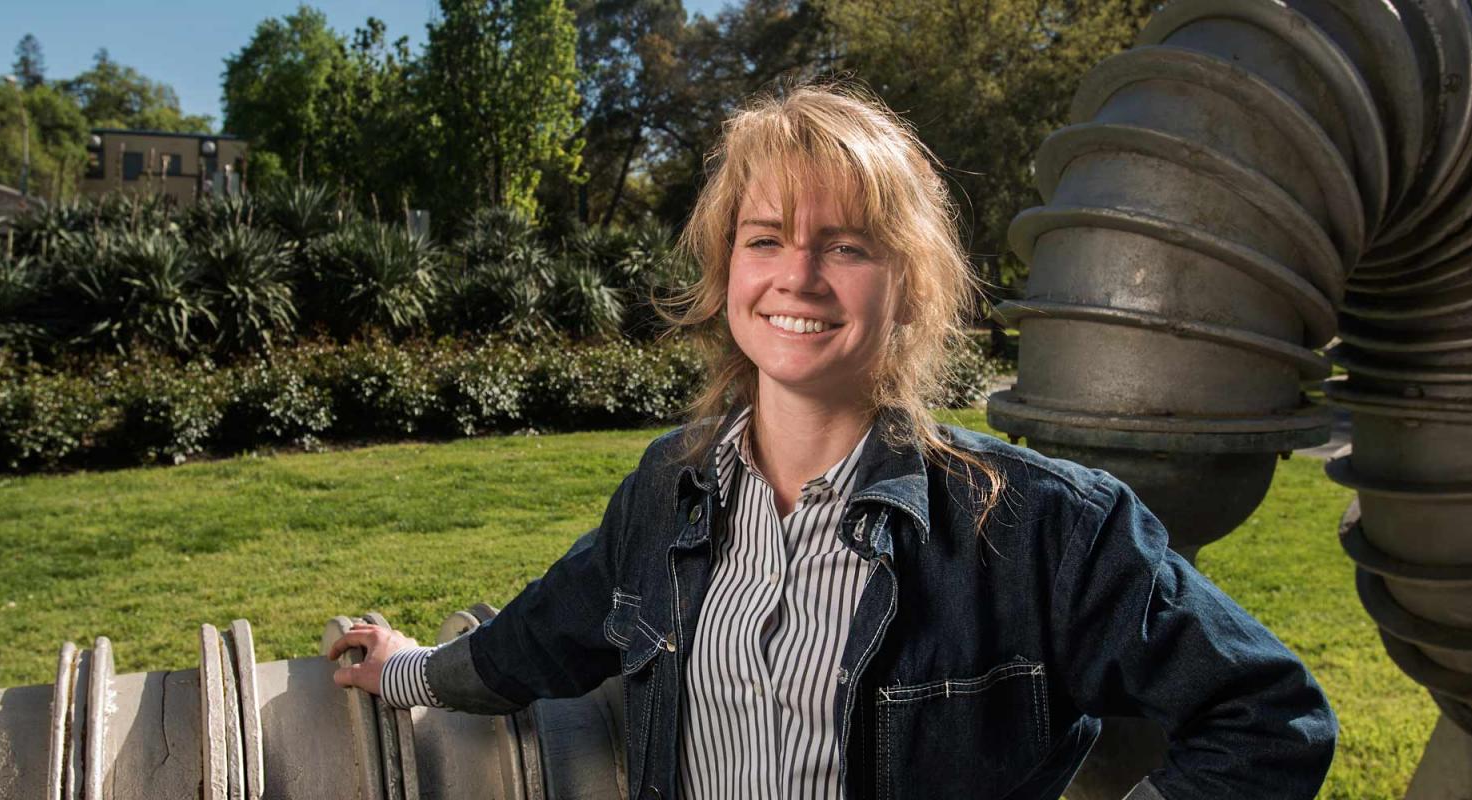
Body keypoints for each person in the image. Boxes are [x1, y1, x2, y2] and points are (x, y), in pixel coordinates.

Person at [327, 83, 1337, 800]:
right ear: (728, 271)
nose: (797, 275)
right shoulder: (668, 490)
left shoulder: (1042, 527)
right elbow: (544, 636)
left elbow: (1267, 716)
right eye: (765, 238)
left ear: (909, 286)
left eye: (846, 245)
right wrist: (408, 670)